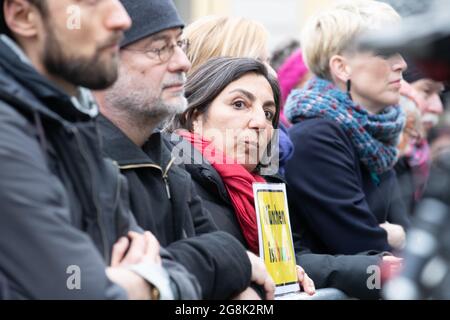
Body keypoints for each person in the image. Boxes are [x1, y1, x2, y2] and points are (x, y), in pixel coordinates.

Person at [0, 0, 200, 299]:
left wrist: (146, 283)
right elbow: (81, 291)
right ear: (23, 16)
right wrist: (150, 285)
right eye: (91, 2)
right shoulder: (10, 133)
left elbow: (183, 279)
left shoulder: (74, 124)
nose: (121, 19)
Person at [94, 0, 275, 300]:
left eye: (180, 45)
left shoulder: (168, 158)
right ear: (102, 61)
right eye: (159, 48)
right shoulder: (83, 156)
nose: (183, 63)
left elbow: (225, 249)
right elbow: (101, 283)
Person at [284, 0, 409, 255]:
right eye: (385, 53)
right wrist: (396, 236)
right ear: (342, 67)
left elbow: (407, 234)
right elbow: (361, 244)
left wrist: (400, 236)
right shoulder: (316, 138)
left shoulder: (376, 135)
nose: (402, 63)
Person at [182, 15, 294, 176]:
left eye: (268, 114)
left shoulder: (275, 152)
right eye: (257, 61)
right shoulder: (176, 174)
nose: (273, 73)